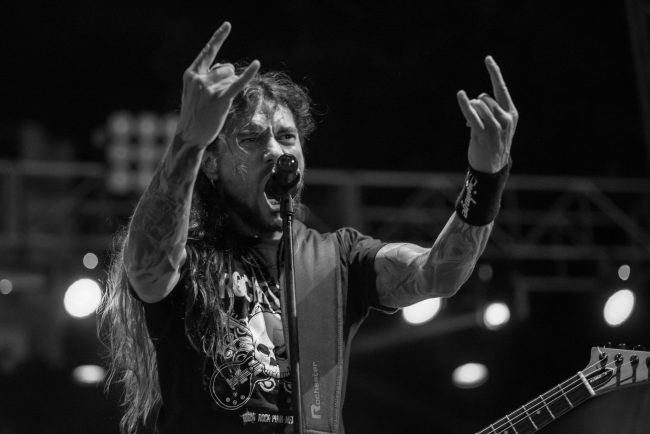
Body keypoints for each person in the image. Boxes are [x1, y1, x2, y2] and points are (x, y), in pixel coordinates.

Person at [99, 21, 518, 434]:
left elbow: (437, 274)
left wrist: (486, 179)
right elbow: (148, 267)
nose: (276, 151)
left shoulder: (337, 257)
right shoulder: (189, 254)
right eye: (251, 139)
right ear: (212, 164)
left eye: (287, 137)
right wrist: (189, 141)